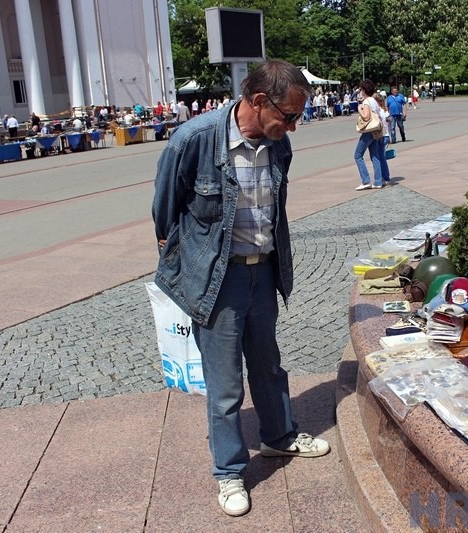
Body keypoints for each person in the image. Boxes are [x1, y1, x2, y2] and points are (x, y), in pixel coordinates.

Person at [152, 60, 329, 518]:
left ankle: (279, 436)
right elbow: (164, 215)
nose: (294, 126)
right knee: (226, 383)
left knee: (268, 365)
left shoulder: (279, 146)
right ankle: (229, 471)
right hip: (218, 277)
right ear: (257, 101)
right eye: (289, 116)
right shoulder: (194, 140)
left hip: (263, 270)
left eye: (297, 117)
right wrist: (188, 267)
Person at [354, 79, 384, 190]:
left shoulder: (366, 102)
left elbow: (366, 117)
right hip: (376, 131)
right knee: (375, 156)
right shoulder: (374, 101)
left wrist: (359, 109)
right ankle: (378, 181)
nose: (360, 92)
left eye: (361, 89)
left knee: (358, 155)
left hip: (368, 132)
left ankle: (366, 180)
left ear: (364, 90)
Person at [374, 93, 391, 185]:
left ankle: (384, 177)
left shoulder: (378, 111)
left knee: (380, 158)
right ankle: (385, 177)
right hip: (386, 135)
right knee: (382, 157)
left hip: (381, 136)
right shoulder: (385, 110)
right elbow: (388, 122)